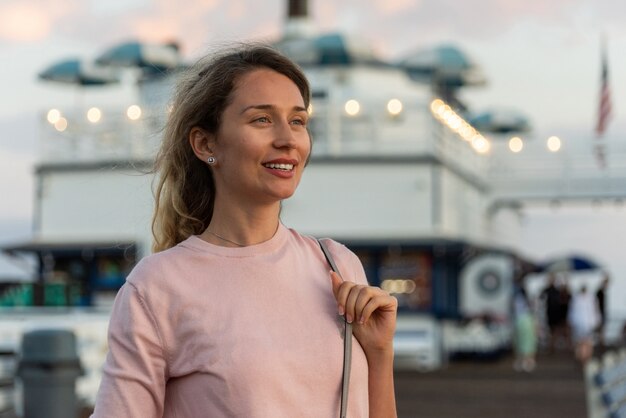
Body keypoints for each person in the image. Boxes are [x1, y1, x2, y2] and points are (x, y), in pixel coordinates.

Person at [90, 44, 398, 417]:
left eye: (298, 121)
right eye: (262, 120)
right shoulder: (157, 287)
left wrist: (379, 354)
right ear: (205, 144)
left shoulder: (337, 264)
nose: (288, 139)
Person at [568, 285, 600, 363]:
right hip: (588, 323)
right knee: (587, 342)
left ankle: (582, 358)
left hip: (579, 323)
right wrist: (597, 321)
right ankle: (585, 358)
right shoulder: (591, 298)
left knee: (581, 343)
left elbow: (571, 312)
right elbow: (595, 310)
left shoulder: (576, 298)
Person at [512, 285, 537, 372]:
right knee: (529, 342)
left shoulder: (517, 299)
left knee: (520, 342)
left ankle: (522, 361)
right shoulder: (527, 300)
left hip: (520, 321)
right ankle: (528, 361)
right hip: (527, 321)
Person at [595, 274, 610, 347]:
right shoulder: (600, 292)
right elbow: (596, 304)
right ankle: (601, 342)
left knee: (601, 328)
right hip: (600, 312)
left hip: (601, 312)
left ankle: (601, 341)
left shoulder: (601, 292)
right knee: (601, 328)